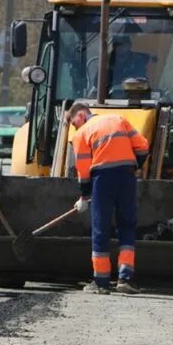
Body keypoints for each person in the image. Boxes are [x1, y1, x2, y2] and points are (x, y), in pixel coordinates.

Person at [68, 102, 149, 295]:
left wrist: (84, 196)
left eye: (73, 123)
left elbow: (83, 170)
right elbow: (143, 146)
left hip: (102, 179)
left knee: (100, 227)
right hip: (127, 177)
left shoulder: (82, 133)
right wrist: (134, 167)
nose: (75, 127)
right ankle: (125, 278)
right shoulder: (118, 119)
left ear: (80, 115)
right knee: (127, 225)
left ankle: (101, 282)